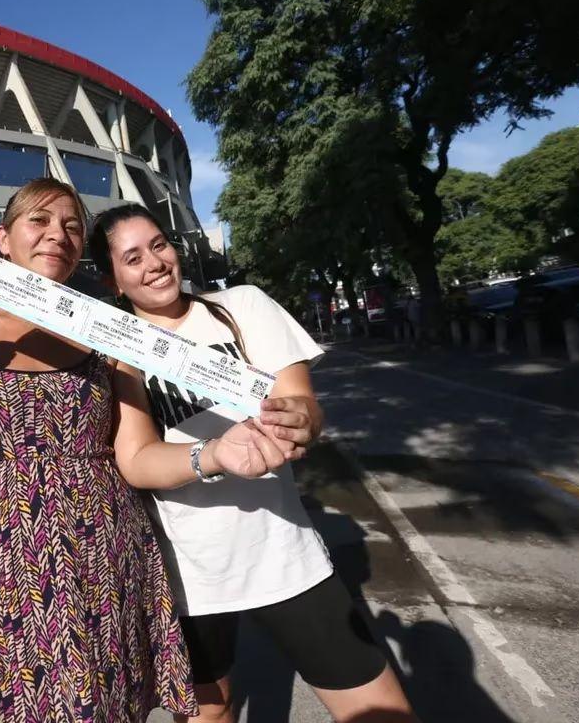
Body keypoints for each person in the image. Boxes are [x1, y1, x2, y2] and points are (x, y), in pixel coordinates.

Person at [0, 179, 302, 722]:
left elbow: (137, 455)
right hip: (9, 564)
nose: (56, 234)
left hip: (108, 552)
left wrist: (215, 453)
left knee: (112, 705)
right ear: (3, 239)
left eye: (71, 226)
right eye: (38, 221)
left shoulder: (110, 335)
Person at [88, 204, 417, 723]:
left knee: (382, 713)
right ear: (114, 281)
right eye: (132, 258)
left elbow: (303, 404)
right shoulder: (117, 350)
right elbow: (137, 460)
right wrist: (215, 454)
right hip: (190, 571)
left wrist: (301, 421)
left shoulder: (241, 306)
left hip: (285, 554)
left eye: (159, 245)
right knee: (211, 714)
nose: (154, 262)